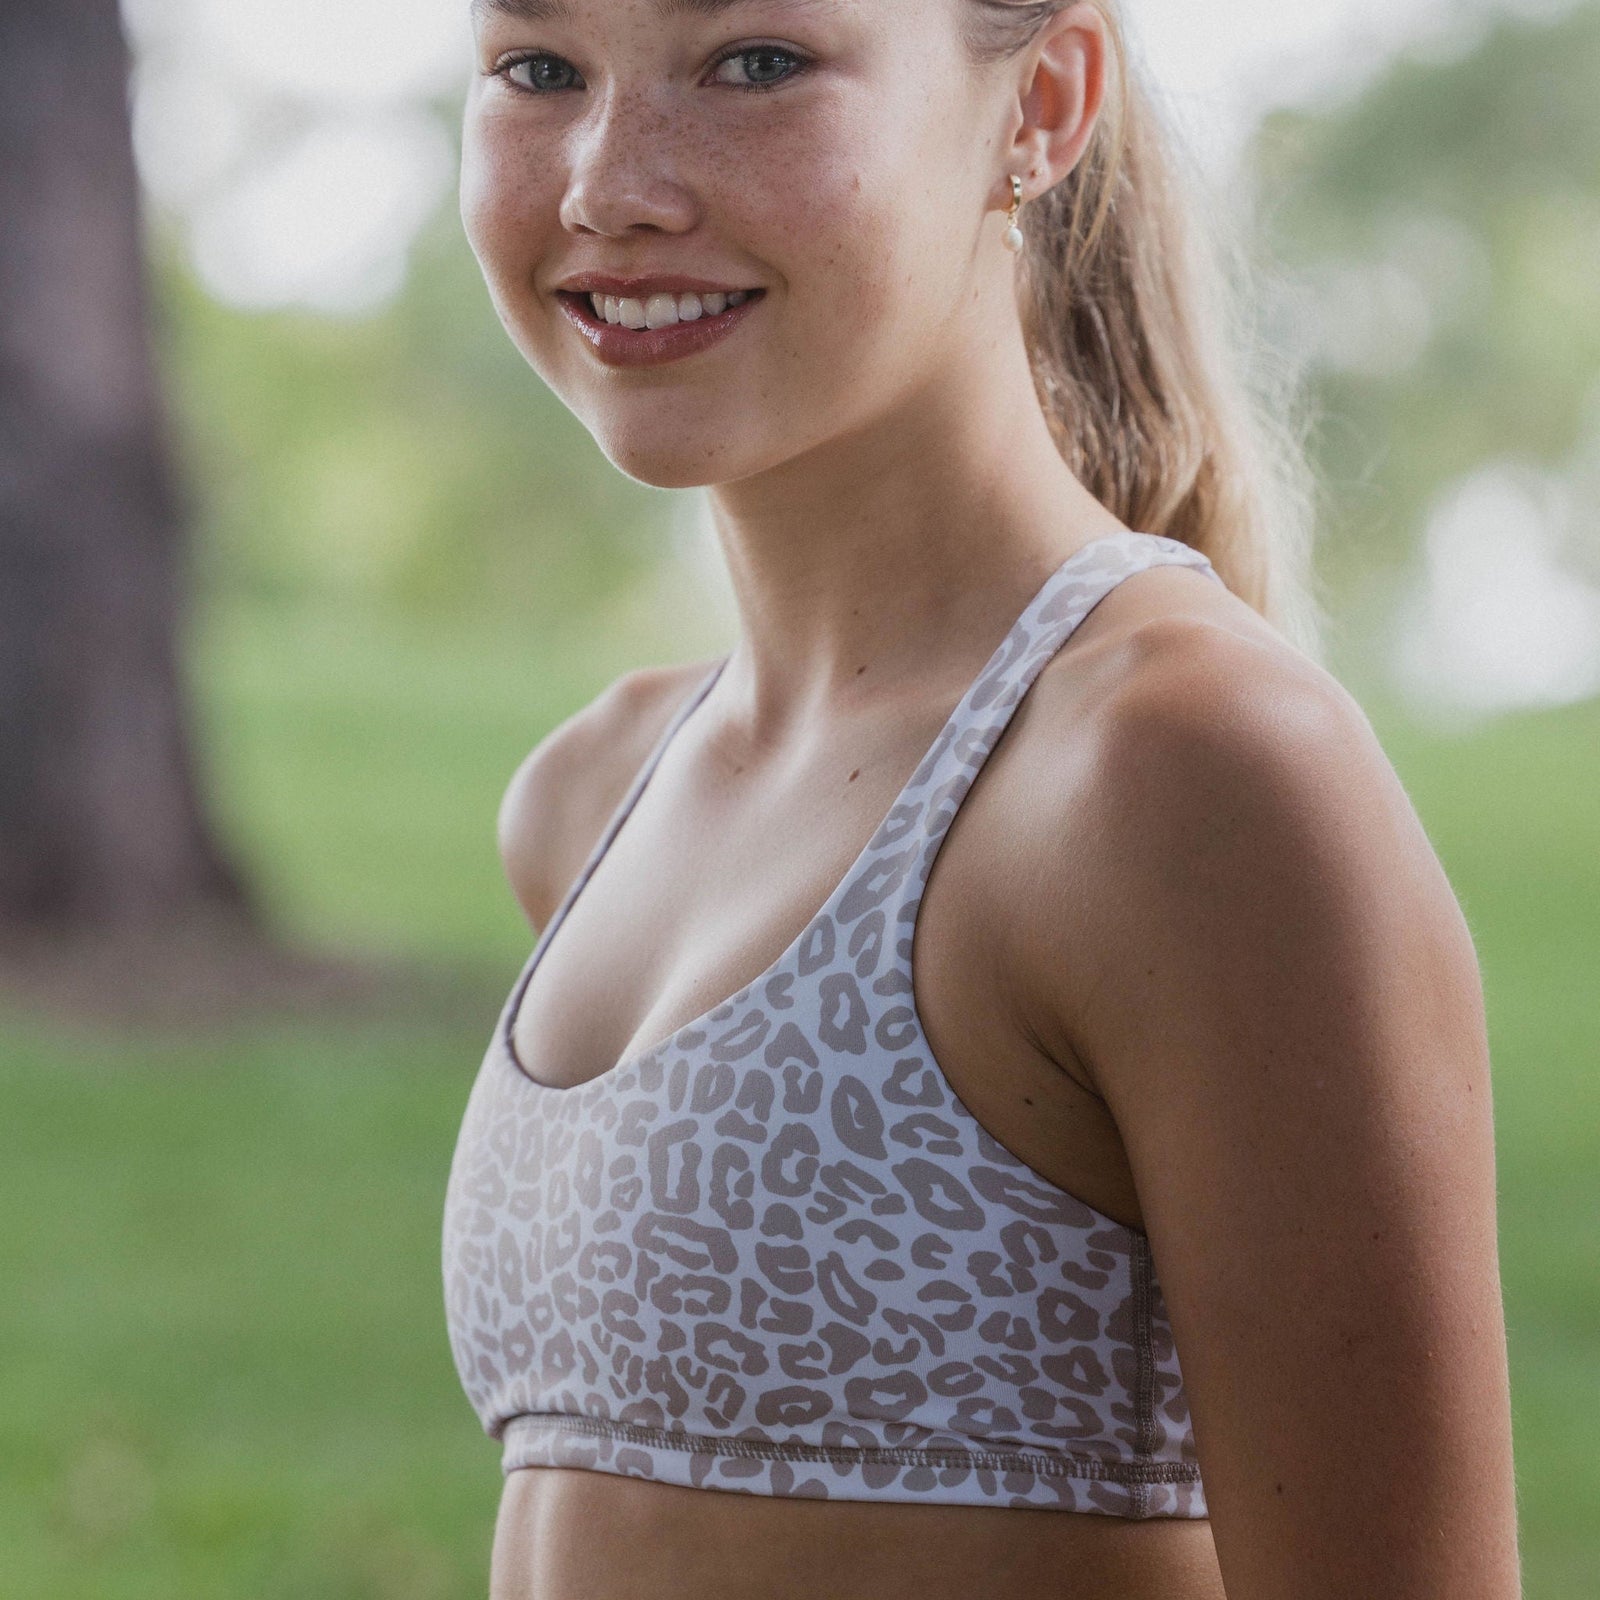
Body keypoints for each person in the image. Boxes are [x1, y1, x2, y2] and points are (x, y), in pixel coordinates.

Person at [441, 1, 1523, 1596]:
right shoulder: (593, 796)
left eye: (757, 63)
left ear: (1045, 103)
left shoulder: (1182, 778)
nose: (612, 185)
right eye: (541, 71)